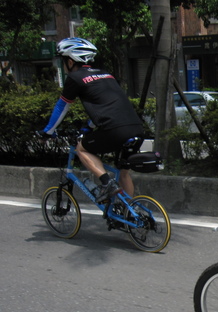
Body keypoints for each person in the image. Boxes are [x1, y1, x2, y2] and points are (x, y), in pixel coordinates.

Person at [39, 37, 144, 202]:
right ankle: (130, 213)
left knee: (81, 149)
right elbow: (107, 106)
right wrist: (89, 126)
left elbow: (61, 107)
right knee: (123, 172)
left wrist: (48, 131)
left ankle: (107, 183)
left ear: (71, 61)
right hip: (136, 128)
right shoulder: (106, 75)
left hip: (115, 130)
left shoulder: (75, 78)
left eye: (63, 61)